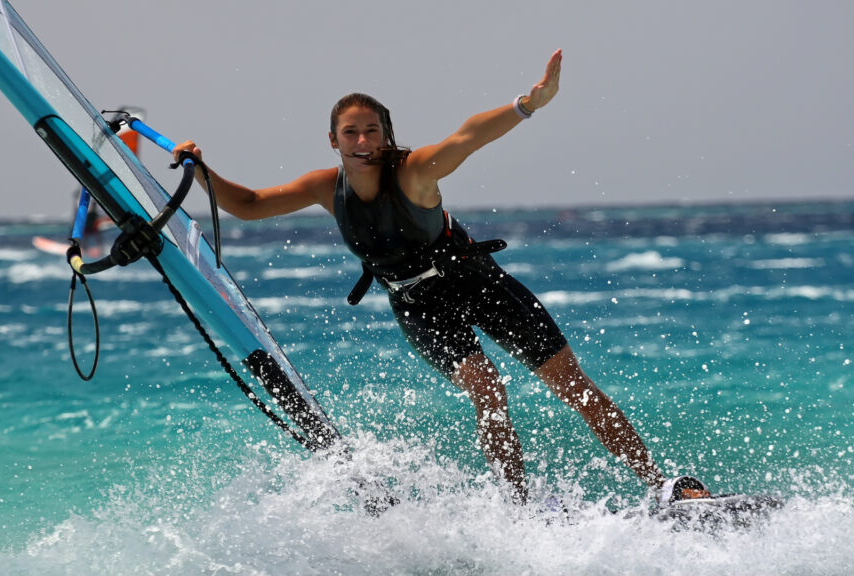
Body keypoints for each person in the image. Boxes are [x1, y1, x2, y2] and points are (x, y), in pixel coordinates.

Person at [175, 49, 677, 506]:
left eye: (372, 130)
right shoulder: (327, 187)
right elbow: (247, 205)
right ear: (333, 141)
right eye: (350, 132)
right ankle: (520, 511)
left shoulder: (414, 172)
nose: (362, 141)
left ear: (387, 135)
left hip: (475, 279)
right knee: (487, 389)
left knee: (573, 384)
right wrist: (200, 169)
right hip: (417, 304)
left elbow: (469, 136)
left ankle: (663, 485)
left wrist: (528, 104)